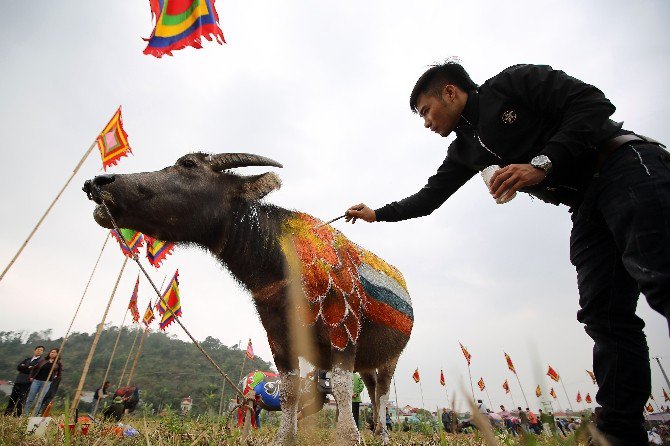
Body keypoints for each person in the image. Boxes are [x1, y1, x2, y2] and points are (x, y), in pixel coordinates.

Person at [345, 61, 669, 445]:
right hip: (586, 205)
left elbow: (594, 104)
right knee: (605, 317)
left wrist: (542, 164)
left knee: (661, 280)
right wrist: (377, 214)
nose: (426, 123)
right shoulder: (465, 150)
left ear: (450, 92)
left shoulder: (513, 83)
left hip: (624, 165)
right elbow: (429, 198)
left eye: (426, 111)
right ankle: (620, 434)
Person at [3, 346, 44, 416]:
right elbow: (19, 367)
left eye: (41, 350)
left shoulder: (40, 361)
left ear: (42, 352)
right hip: (18, 380)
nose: (39, 351)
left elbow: (35, 369)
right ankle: (7, 414)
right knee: (13, 398)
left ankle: (17, 415)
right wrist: (28, 367)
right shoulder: (28, 359)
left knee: (22, 399)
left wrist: (24, 366)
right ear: (35, 350)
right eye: (38, 349)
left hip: (27, 382)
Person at [23, 348, 62, 416]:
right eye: (51, 352)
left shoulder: (57, 364)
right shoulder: (43, 361)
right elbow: (34, 368)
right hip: (36, 381)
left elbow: (59, 374)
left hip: (47, 383)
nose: (52, 353)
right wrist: (31, 377)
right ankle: (25, 415)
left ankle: (34, 415)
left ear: (57, 354)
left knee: (39, 400)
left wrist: (54, 378)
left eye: (54, 352)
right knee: (30, 398)